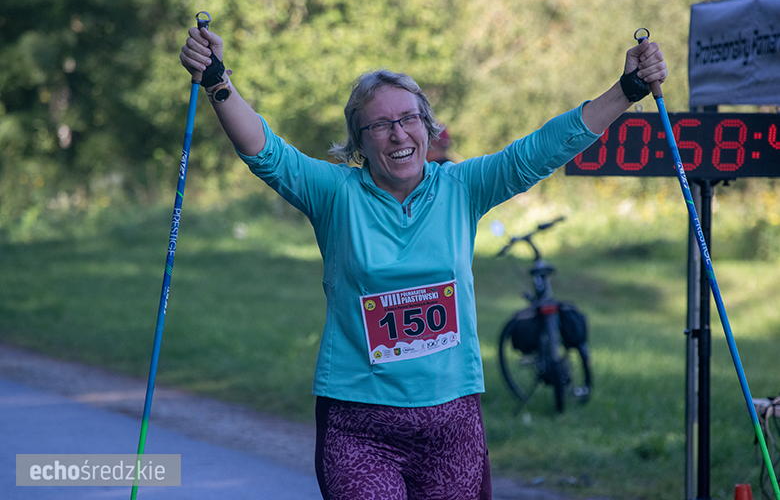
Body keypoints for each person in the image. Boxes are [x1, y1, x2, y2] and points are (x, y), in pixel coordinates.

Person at [180, 25, 666, 500]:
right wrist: (216, 80)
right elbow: (264, 151)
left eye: (409, 119)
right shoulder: (335, 195)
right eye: (380, 125)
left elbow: (540, 150)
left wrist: (626, 90)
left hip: (451, 422)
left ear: (427, 126)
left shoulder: (461, 187)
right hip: (359, 426)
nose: (398, 134)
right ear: (360, 141)